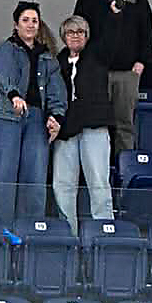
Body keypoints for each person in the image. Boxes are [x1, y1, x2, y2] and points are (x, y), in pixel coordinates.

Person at [0, 3, 66, 223]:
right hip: (8, 115)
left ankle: (30, 230)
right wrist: (14, 95)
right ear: (16, 24)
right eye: (26, 20)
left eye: (34, 20)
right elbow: (3, 74)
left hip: (37, 118)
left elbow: (56, 90)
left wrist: (56, 117)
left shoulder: (47, 57)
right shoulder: (7, 47)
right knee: (3, 175)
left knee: (34, 177)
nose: (31, 24)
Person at [72, 0, 152, 153]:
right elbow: (77, 30)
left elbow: (147, 33)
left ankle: (124, 172)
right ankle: (96, 172)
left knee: (124, 125)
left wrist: (141, 62)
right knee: (94, 125)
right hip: (95, 73)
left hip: (127, 73)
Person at [52, 13, 115, 235]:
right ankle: (68, 235)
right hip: (66, 130)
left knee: (98, 182)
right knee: (62, 185)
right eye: (70, 32)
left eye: (80, 32)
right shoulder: (56, 62)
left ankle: (104, 233)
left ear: (87, 36)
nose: (75, 36)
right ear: (63, 36)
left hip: (93, 126)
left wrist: (114, 12)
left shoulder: (97, 55)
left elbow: (111, 36)